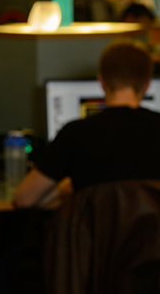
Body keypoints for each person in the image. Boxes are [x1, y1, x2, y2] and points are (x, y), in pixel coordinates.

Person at [14, 38, 160, 208]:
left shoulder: (75, 133)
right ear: (147, 84)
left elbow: (24, 199)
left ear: (102, 82)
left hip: (94, 235)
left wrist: (66, 189)